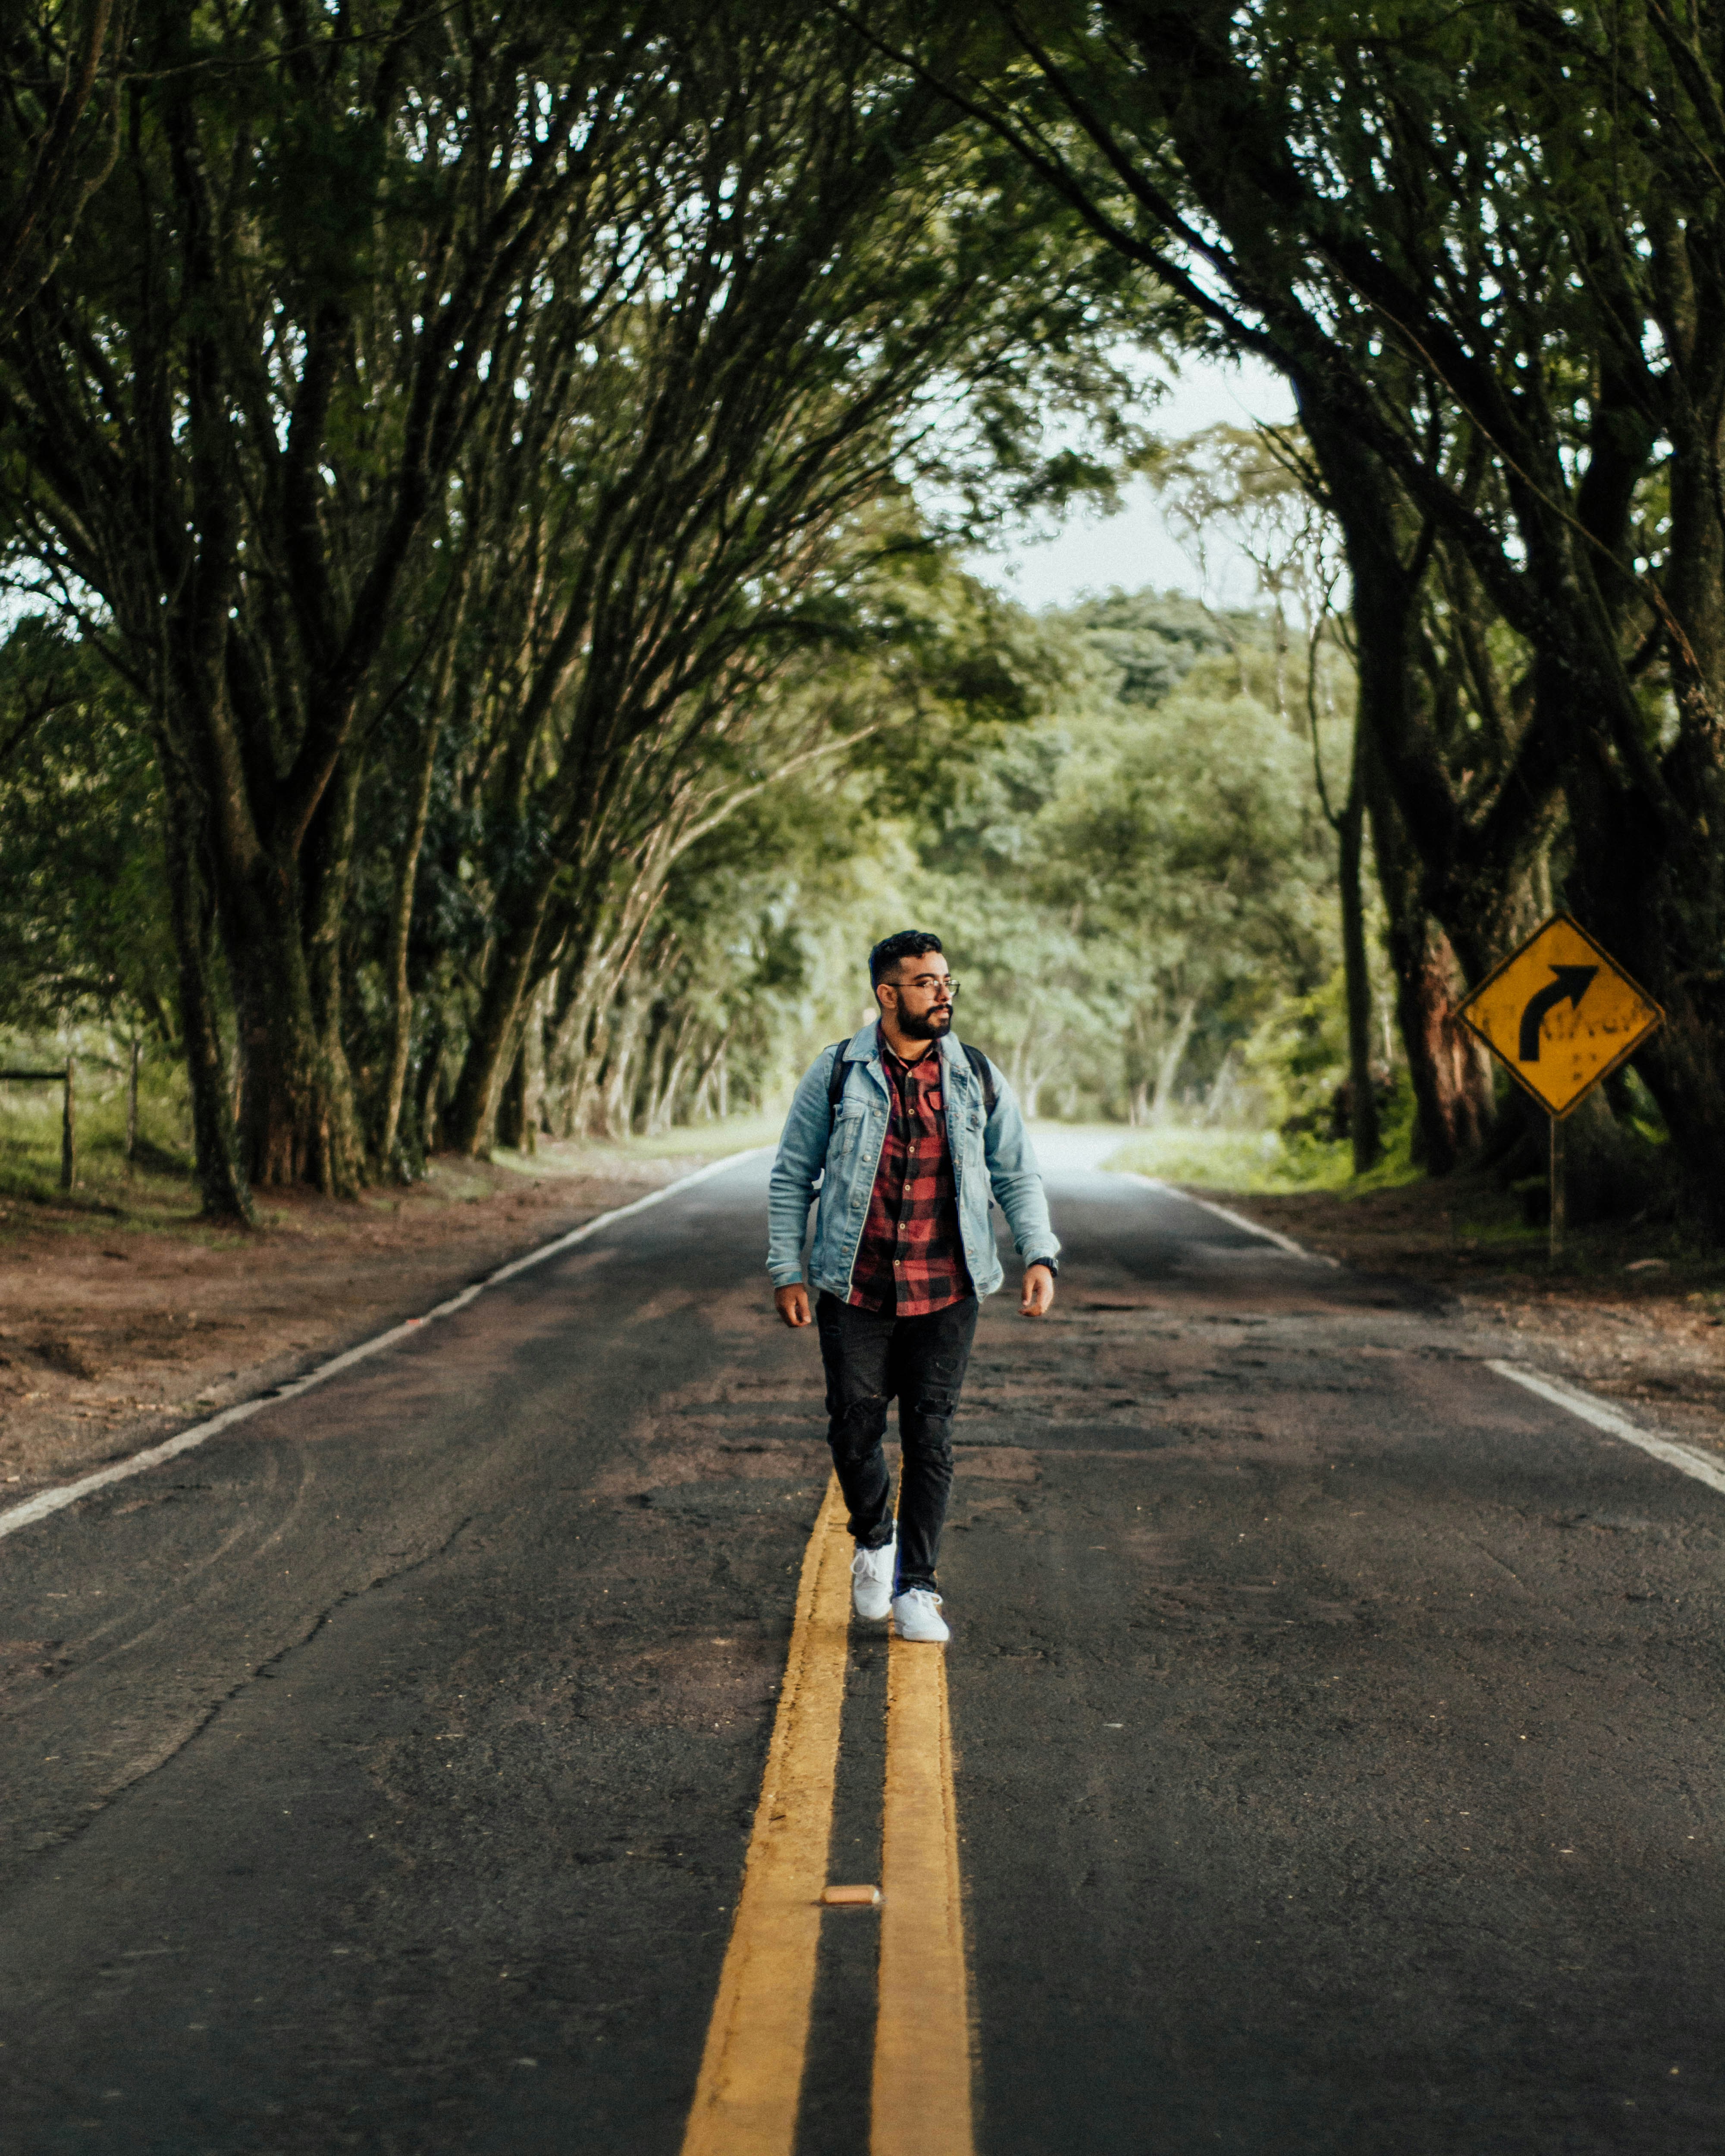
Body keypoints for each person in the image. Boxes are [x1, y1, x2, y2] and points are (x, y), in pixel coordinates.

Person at [767, 930, 1060, 1642]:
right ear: (887, 994)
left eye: (947, 981)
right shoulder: (837, 1072)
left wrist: (1039, 1255)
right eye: (928, 982)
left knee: (931, 1437)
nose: (944, 993)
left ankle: (918, 1588)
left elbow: (1017, 1173)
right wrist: (788, 1269)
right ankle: (874, 1540)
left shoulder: (976, 1075)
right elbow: (791, 1176)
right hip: (854, 1283)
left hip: (948, 1286)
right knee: (855, 1427)